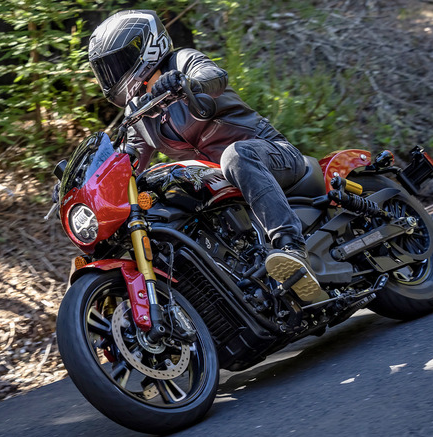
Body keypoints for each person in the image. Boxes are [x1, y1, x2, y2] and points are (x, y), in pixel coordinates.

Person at [88, 10, 323, 302]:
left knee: (235, 155)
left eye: (117, 62)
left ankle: (291, 248)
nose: (113, 73)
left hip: (269, 154)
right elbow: (128, 161)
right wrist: (91, 183)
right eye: (106, 69)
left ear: (146, 47)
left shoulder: (182, 62)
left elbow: (214, 77)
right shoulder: (138, 113)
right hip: (224, 187)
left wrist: (186, 84)